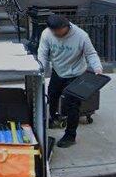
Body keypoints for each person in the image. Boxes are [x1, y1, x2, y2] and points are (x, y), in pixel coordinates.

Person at [36, 13, 103, 149]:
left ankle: (70, 136)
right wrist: (41, 70)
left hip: (76, 73)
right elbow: (42, 53)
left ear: (66, 26)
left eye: (58, 31)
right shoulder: (47, 34)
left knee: (72, 105)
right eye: (53, 31)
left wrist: (97, 68)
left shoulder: (81, 36)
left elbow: (91, 54)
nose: (56, 34)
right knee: (52, 96)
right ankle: (54, 118)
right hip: (58, 71)